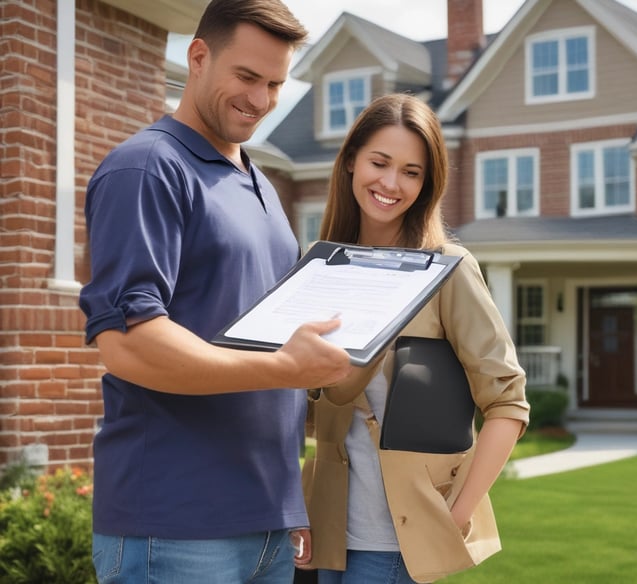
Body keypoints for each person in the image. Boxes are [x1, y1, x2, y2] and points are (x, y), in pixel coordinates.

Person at [78, 1, 352, 582]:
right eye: (247, 77)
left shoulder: (259, 186)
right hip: (174, 525)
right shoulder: (147, 169)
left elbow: (271, 342)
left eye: (275, 83)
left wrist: (286, 502)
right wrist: (284, 369)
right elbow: (129, 345)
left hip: (265, 526)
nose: (261, 100)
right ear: (197, 56)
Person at [299, 93, 530, 584]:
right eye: (379, 163)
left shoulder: (448, 271)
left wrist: (458, 512)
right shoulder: (321, 270)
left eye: (411, 171)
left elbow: (508, 402)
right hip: (326, 537)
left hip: (396, 545)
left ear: (428, 183)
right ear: (350, 164)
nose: (390, 183)